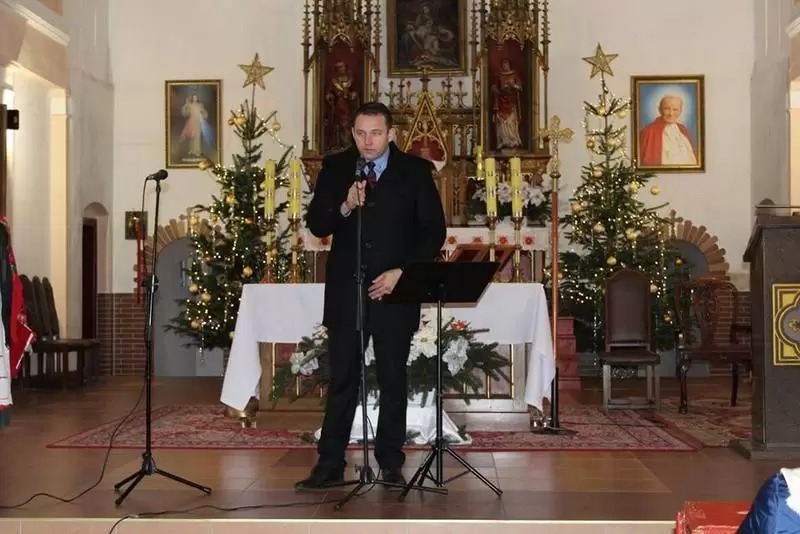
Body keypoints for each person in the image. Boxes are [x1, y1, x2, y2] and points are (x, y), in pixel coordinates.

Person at [297, 102, 447, 491]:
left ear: (391, 134)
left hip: (395, 292)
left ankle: (390, 460)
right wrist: (346, 205)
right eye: (361, 133)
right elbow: (317, 224)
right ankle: (330, 462)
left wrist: (403, 273)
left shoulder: (415, 170)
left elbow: (433, 231)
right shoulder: (336, 168)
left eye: (376, 133)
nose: (368, 141)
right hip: (347, 292)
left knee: (393, 378)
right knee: (343, 379)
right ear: (352, 133)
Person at [638, 94, 697, 166]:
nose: (671, 113)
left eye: (675, 109)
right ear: (659, 110)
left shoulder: (682, 129)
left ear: (680, 111)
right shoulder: (649, 131)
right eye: (667, 109)